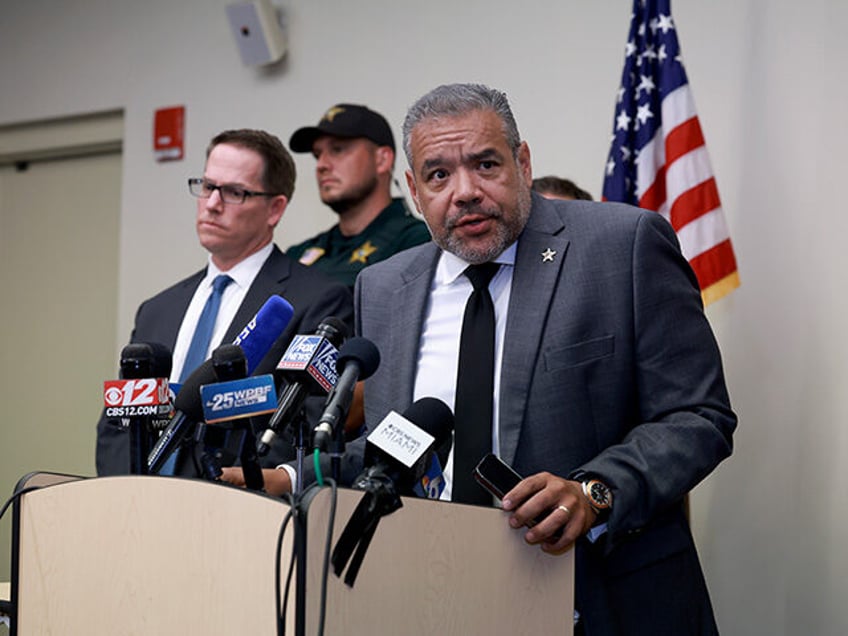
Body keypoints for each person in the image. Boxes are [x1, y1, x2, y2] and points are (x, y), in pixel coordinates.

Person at [226, 84, 735, 634]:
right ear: (414, 192)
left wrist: (593, 492)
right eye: (439, 174)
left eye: (485, 164)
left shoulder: (622, 245)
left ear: (522, 162)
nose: (465, 191)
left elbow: (696, 417)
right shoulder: (384, 287)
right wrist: (285, 476)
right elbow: (393, 447)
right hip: (435, 596)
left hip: (604, 598)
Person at [96, 128, 354, 476]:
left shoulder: (316, 300)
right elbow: (119, 424)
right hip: (138, 510)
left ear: (275, 209)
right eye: (207, 186)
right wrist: (124, 495)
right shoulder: (157, 309)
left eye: (234, 192)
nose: (212, 204)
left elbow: (302, 428)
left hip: (238, 507)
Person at [285, 103, 431, 289]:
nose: (321, 165)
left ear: (382, 159)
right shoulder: (298, 254)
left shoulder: (418, 242)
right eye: (317, 155)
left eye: (337, 150)